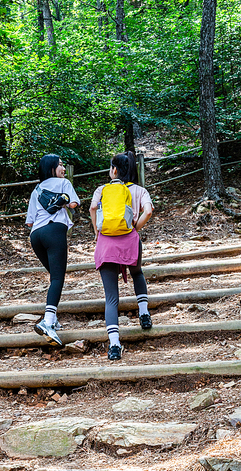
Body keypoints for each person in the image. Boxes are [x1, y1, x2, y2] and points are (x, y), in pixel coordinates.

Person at [89, 152, 153, 361]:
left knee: (111, 297)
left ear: (114, 170)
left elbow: (92, 208)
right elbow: (149, 211)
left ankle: (115, 345)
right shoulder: (139, 190)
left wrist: (97, 233)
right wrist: (135, 226)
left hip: (106, 245)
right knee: (137, 273)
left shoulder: (103, 190)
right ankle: (143, 313)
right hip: (129, 240)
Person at [26, 154, 80, 345]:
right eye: (60, 165)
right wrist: (63, 202)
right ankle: (47, 321)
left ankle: (54, 320)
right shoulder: (63, 183)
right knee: (58, 278)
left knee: (53, 275)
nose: (63, 168)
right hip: (54, 230)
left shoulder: (36, 189)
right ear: (51, 168)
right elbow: (73, 204)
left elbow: (30, 220)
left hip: (36, 235)